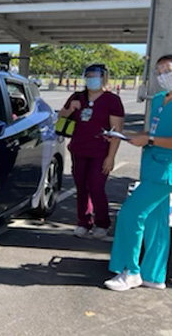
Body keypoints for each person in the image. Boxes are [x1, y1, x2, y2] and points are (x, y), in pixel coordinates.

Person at [105, 55, 172, 291]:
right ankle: (154, 275)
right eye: (158, 71)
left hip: (167, 172)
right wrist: (130, 136)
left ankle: (131, 271)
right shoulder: (160, 99)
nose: (162, 76)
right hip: (152, 166)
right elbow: (154, 131)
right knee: (156, 222)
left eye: (167, 70)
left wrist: (149, 138)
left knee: (130, 214)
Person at [58, 64, 124, 239]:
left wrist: (111, 157)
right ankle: (83, 221)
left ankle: (102, 223)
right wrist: (71, 108)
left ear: (104, 77)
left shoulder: (112, 100)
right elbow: (61, 117)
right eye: (88, 76)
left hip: (100, 151)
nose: (91, 79)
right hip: (79, 149)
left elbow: (116, 131)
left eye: (95, 76)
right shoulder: (78, 96)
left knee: (95, 186)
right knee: (81, 187)